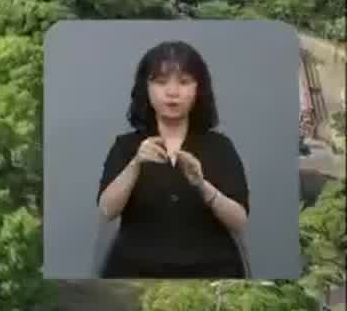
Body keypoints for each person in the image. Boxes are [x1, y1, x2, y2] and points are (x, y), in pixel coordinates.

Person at [96, 40, 250, 278]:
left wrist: (202, 185)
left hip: (212, 269)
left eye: (184, 82)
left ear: (198, 89)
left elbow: (239, 222)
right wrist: (135, 164)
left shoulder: (219, 146)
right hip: (135, 268)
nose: (172, 92)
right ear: (145, 89)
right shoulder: (126, 146)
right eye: (160, 82)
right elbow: (106, 211)